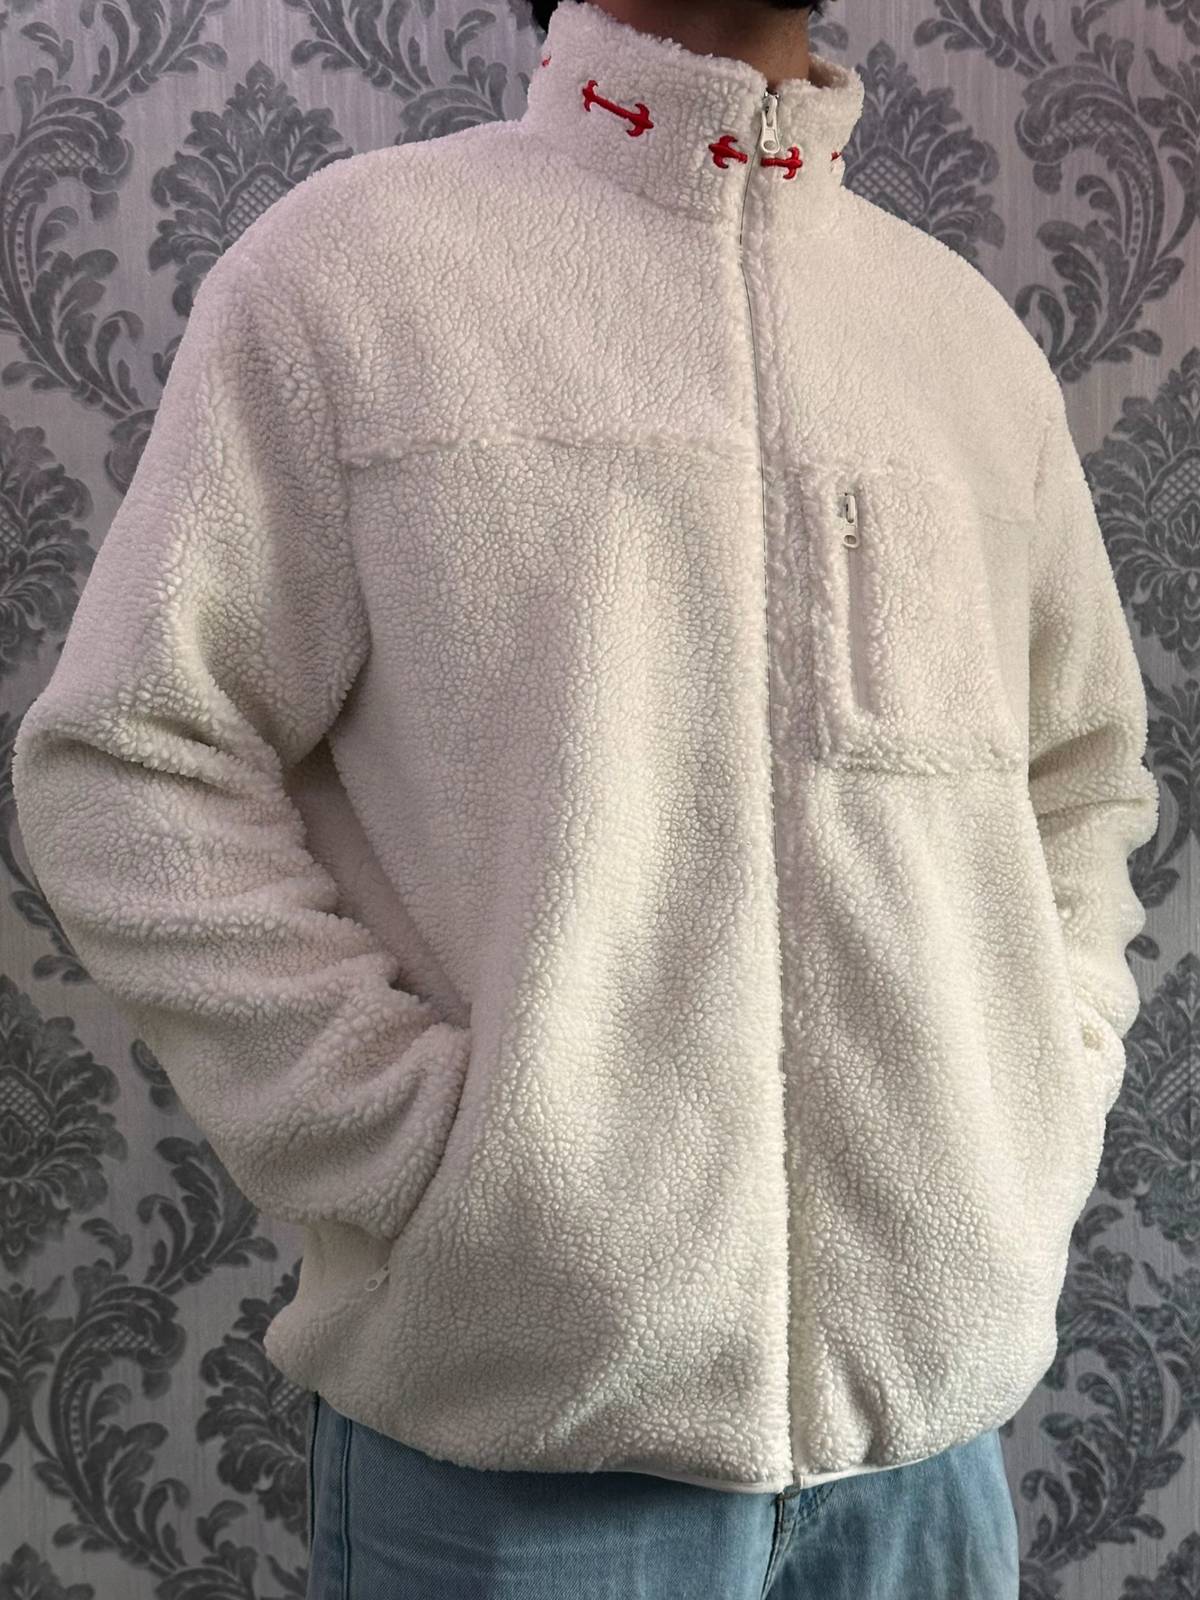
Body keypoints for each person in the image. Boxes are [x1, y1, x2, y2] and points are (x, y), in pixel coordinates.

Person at [11, 0, 1158, 1591]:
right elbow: (132, 762)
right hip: (518, 1469)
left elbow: (1081, 777)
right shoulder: (351, 278)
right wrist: (434, 1162)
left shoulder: (962, 340)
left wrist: (1042, 1086)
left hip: (928, 1468)